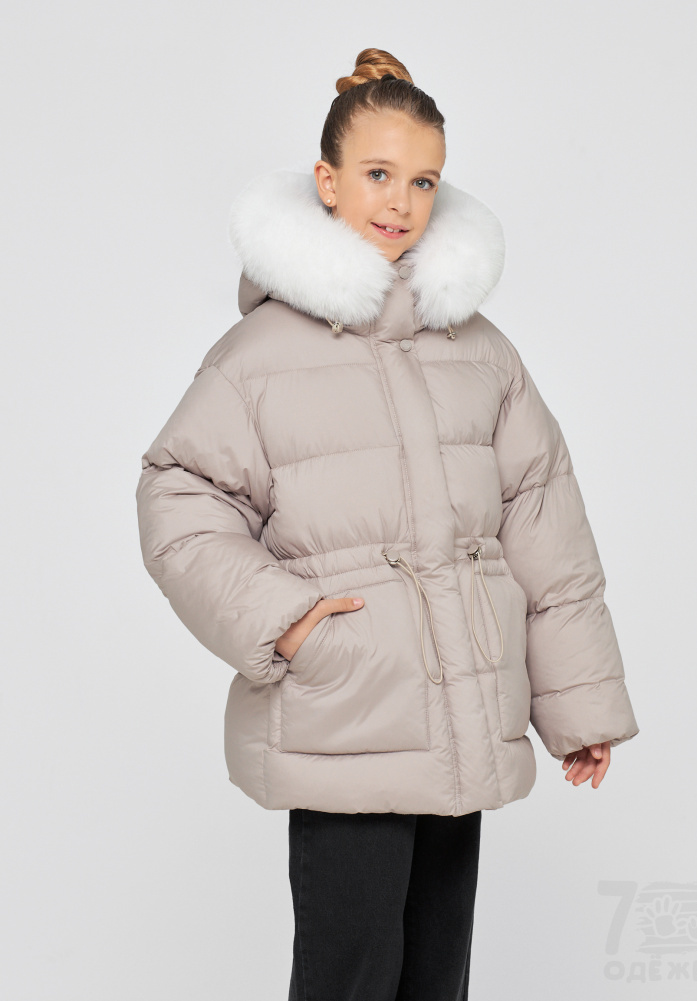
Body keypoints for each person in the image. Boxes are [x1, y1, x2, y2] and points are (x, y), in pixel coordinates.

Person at [135, 47, 639, 1001]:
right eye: (377, 174)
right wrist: (288, 621)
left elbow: (544, 519)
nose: (401, 201)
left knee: (435, 978)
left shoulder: (480, 352)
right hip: (349, 712)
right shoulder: (259, 355)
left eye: (423, 181)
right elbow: (179, 496)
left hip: (464, 715)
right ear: (326, 182)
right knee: (351, 975)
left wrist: (577, 706)